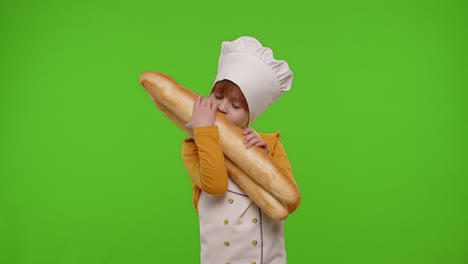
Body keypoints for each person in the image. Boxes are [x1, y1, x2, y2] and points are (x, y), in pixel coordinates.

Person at [181, 36, 299, 264]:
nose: (223, 108)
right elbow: (215, 186)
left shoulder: (270, 144)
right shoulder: (194, 146)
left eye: (236, 106)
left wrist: (265, 160)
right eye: (217, 97)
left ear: (250, 114)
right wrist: (204, 132)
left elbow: (290, 202)